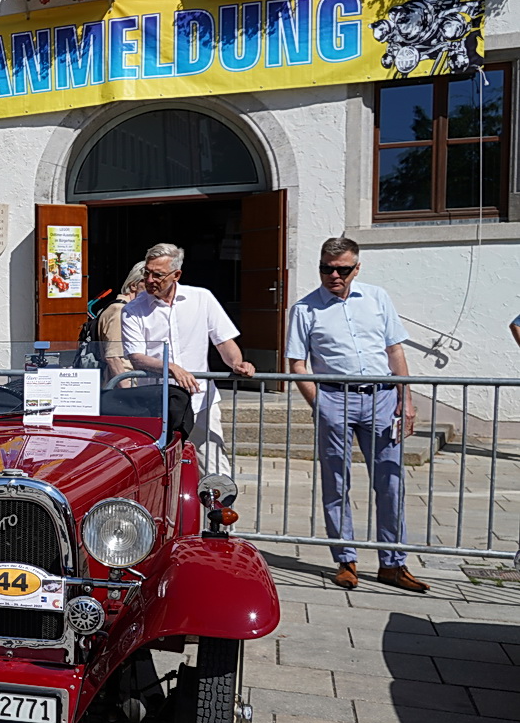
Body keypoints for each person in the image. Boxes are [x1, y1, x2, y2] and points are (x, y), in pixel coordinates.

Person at [287, 237, 427, 592]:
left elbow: (394, 350)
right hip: (334, 398)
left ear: (356, 268)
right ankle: (345, 560)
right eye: (326, 268)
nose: (333, 275)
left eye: (342, 269)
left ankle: (393, 563)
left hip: (380, 398)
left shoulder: (377, 298)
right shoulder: (305, 309)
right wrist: (320, 404)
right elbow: (298, 364)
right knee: (336, 482)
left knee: (391, 482)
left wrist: (405, 399)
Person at [120, 242, 255, 474]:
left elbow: (223, 341)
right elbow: (137, 357)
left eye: (158, 275)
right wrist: (171, 368)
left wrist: (237, 363)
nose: (150, 280)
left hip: (200, 400)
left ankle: (220, 509)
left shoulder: (202, 298)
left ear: (176, 275)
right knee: (158, 469)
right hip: (157, 403)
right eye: (147, 273)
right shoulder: (132, 310)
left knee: (213, 466)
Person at [96, 260, 148, 377]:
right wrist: (127, 391)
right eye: (146, 283)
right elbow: (113, 357)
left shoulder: (126, 309)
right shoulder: (120, 310)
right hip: (124, 384)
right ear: (133, 285)